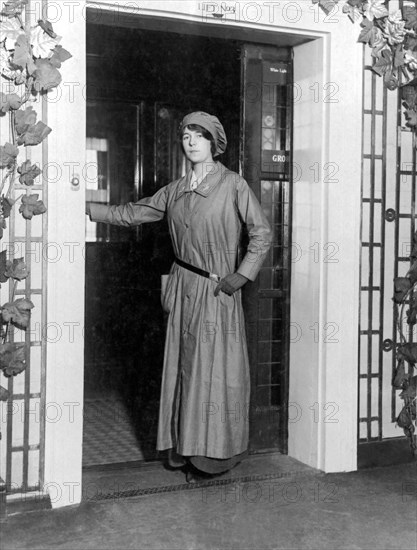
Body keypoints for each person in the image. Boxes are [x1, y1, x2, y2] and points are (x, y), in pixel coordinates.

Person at [86, 111, 272, 482]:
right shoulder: (174, 190)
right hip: (182, 287)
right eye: (186, 136)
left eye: (199, 136)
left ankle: (213, 458)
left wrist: (242, 274)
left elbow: (262, 233)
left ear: (213, 143)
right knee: (183, 372)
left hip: (217, 289)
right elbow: (133, 213)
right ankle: (183, 451)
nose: (190, 142)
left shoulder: (233, 185)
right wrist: (85, 207)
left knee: (212, 375)